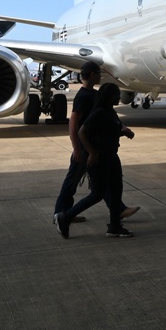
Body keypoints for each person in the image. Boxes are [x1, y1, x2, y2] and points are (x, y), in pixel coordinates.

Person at [53, 61, 138, 225]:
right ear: (92, 74)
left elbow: (109, 115)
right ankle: (61, 214)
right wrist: (76, 148)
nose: (100, 76)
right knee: (73, 181)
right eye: (98, 73)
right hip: (86, 147)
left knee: (100, 181)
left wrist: (122, 128)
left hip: (94, 146)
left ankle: (116, 211)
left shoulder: (93, 94)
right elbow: (74, 122)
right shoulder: (83, 96)